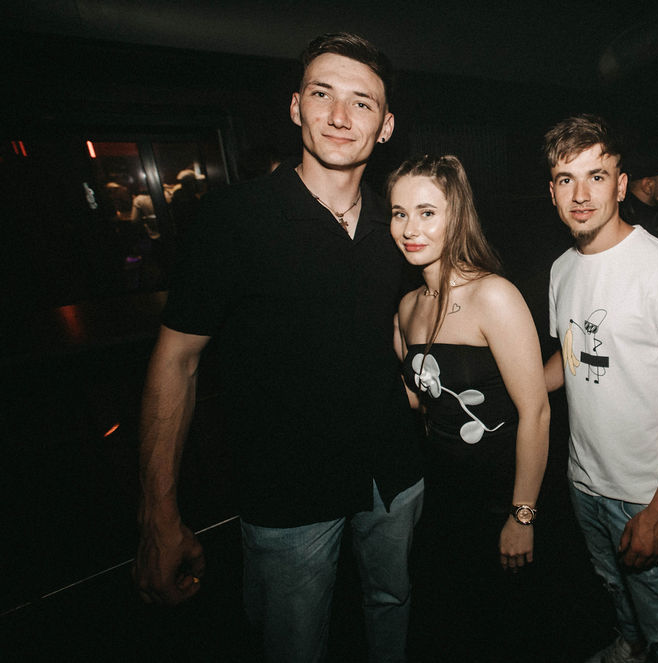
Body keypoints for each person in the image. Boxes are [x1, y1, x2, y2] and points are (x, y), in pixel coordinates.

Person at [133, 32, 424, 663]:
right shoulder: (233, 219)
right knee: (291, 644)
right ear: (296, 106)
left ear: (386, 126)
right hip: (287, 493)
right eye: (322, 94)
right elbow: (176, 361)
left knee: (392, 608)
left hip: (392, 478)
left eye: (362, 103)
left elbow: (408, 329)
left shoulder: (400, 227)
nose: (340, 116)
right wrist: (159, 514)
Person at [543, 115, 658, 663]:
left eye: (596, 176)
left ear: (620, 185)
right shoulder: (561, 269)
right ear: (552, 191)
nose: (581, 195)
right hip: (583, 482)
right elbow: (571, 356)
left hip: (646, 494)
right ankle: (629, 646)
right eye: (566, 179)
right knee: (615, 590)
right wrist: (511, 389)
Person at [388, 154, 550, 659]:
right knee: (454, 628)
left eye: (426, 213)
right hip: (442, 496)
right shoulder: (408, 307)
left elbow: (536, 412)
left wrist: (522, 516)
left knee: (509, 632)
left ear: (456, 215)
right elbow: (419, 401)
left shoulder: (493, 295)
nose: (410, 229)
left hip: (500, 494)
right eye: (399, 213)